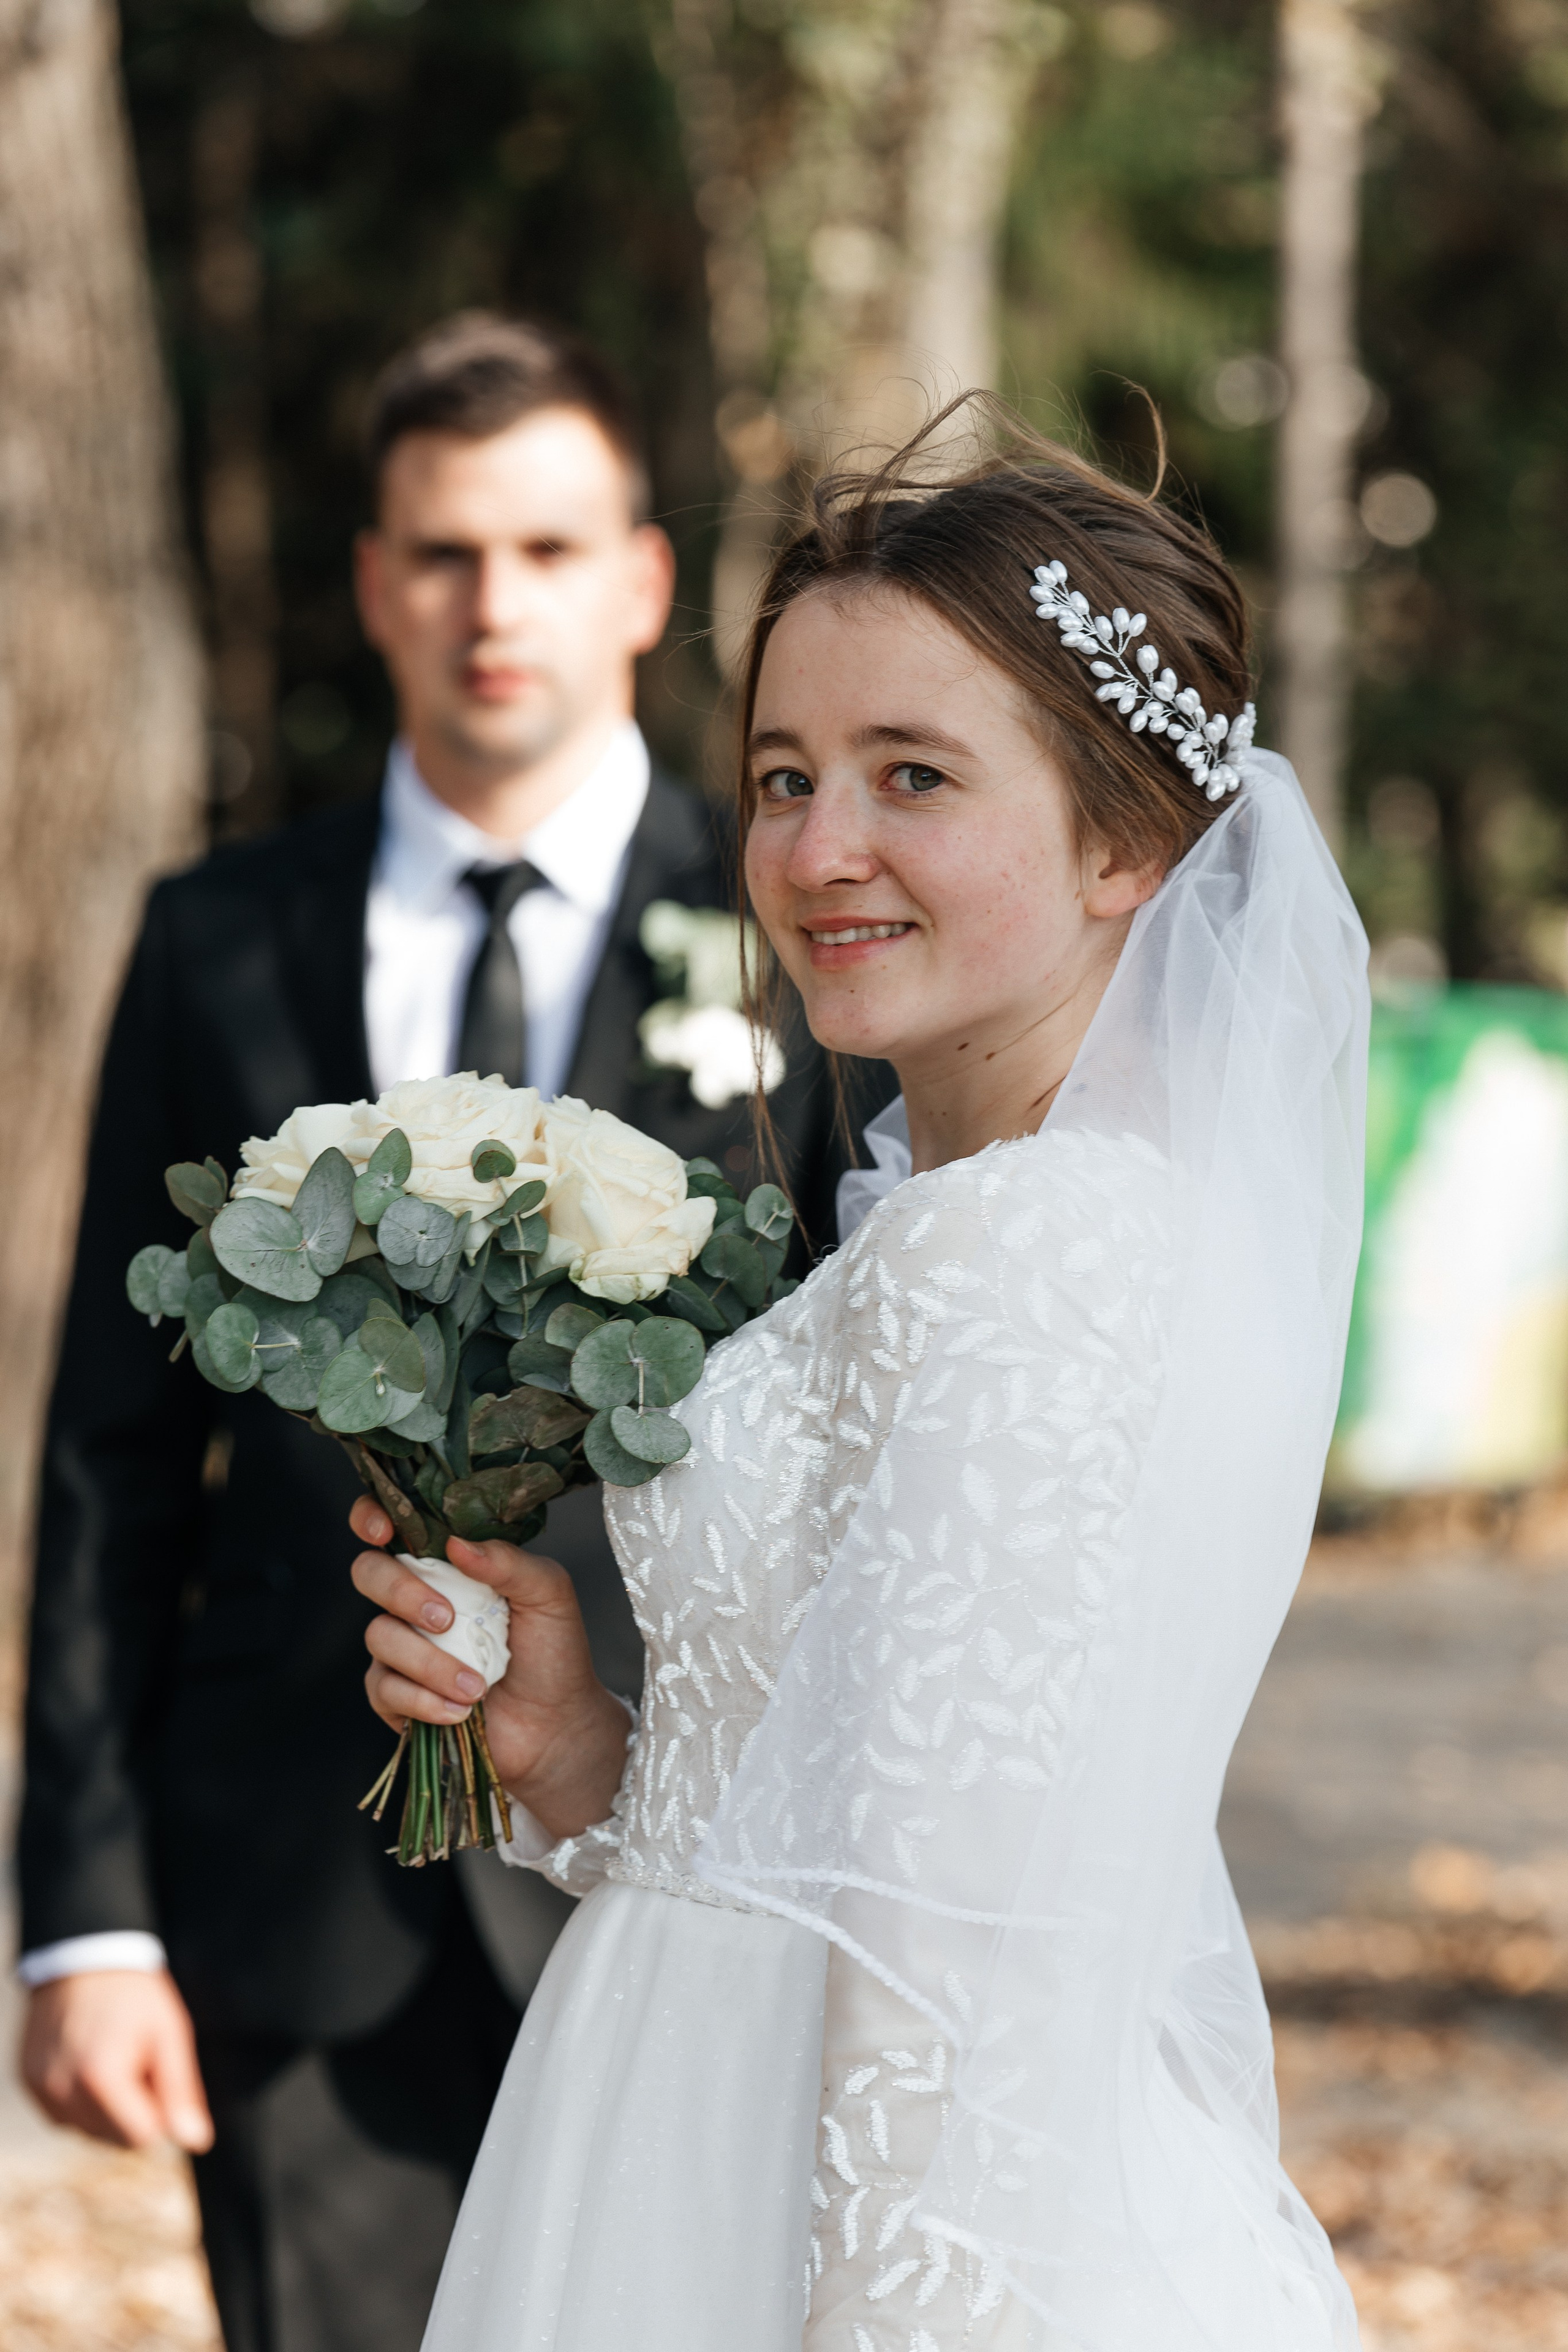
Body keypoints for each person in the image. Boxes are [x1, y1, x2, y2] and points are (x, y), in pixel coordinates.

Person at [350, 400, 1371, 2352]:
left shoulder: (1036, 1257)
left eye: (915, 777)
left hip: (850, 2235)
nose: (822, 851)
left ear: (1128, 843)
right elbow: (871, 1841)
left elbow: (954, 1991)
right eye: (787, 776)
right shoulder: (957, 1222)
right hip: (703, 2128)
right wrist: (583, 1765)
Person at [17, 312, 880, 2352]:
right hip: (290, 1904)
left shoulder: (799, 936)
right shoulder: (218, 936)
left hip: (675, 1869)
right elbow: (105, 1458)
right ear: (374, 585)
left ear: (645, 582)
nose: (497, 606)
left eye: (551, 551)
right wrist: (87, 1913)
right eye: (443, 553)